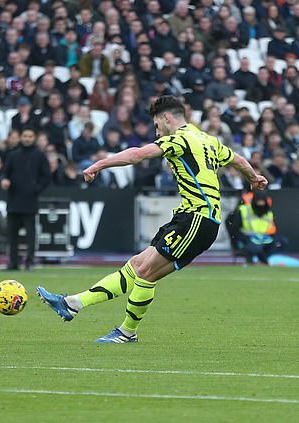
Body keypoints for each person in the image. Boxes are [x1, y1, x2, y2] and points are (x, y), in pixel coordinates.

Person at [37, 96, 267, 343]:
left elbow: (136, 155)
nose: (157, 133)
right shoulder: (207, 140)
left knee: (146, 273)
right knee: (137, 265)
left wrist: (99, 164)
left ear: (167, 118)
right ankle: (72, 304)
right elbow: (239, 160)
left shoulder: (179, 140)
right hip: (191, 218)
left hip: (197, 219)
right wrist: (253, 177)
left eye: (157, 126)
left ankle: (126, 332)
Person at [0, 126, 51, 271]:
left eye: (30, 136)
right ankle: (13, 263)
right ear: (20, 137)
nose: (27, 138)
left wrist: (36, 189)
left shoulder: (39, 156)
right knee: (12, 235)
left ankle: (29, 262)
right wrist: (4, 180)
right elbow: (5, 173)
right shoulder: (13, 155)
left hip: (30, 201)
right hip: (14, 200)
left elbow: (46, 176)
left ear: (33, 138)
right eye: (25, 136)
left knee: (30, 235)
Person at [226, 191, 287, 264]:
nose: (261, 204)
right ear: (254, 202)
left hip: (263, 240)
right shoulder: (243, 210)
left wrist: (266, 237)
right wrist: (246, 238)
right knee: (255, 247)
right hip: (246, 240)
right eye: (259, 202)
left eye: (262, 202)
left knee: (282, 242)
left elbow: (272, 231)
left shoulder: (269, 213)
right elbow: (234, 230)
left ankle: (262, 260)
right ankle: (263, 262)